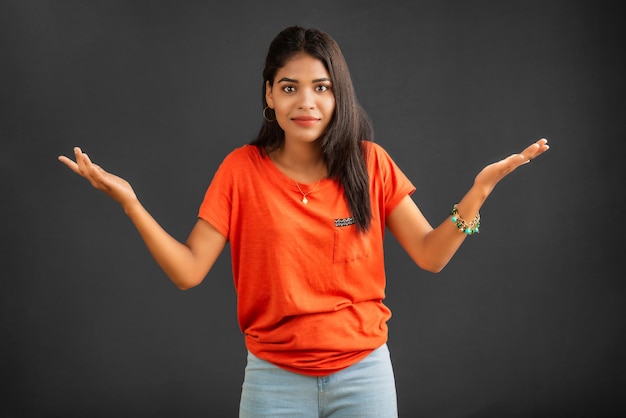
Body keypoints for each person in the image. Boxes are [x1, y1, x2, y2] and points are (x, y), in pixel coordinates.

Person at [58, 25, 549, 417]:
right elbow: (188, 271)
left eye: (321, 88)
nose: (306, 103)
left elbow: (430, 255)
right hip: (273, 380)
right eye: (290, 88)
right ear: (269, 95)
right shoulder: (240, 170)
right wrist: (131, 203)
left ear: (339, 97)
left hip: (364, 376)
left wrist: (479, 190)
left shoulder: (369, 163)